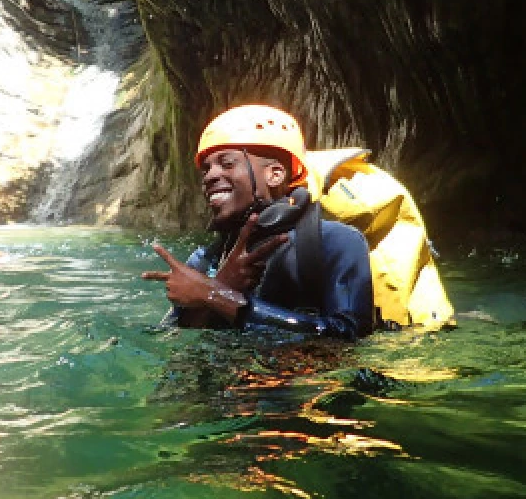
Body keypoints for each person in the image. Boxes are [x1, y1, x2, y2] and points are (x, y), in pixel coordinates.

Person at [142, 105, 374, 340]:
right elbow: (176, 344)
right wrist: (222, 283)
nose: (210, 176)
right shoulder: (205, 260)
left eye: (227, 163)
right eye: (206, 169)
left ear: (275, 174)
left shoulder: (335, 242)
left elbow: (351, 336)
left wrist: (217, 295)